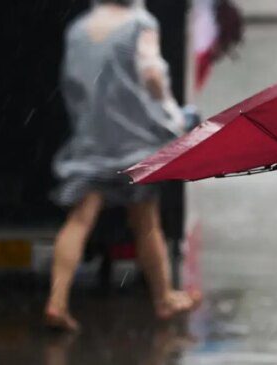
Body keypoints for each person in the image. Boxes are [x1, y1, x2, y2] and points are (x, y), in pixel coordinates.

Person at [45, 0, 199, 331]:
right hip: (134, 141)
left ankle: (57, 302)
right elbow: (152, 74)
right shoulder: (139, 23)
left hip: (92, 139)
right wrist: (171, 113)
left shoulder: (78, 30)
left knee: (79, 220)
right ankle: (163, 298)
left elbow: (73, 84)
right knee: (146, 221)